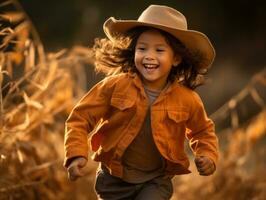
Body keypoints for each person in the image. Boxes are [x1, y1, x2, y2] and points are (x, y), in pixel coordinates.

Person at [64, 4, 219, 200]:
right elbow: (80, 117)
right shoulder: (115, 86)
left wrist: (208, 156)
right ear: (134, 51)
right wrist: (76, 154)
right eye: (142, 48)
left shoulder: (187, 99)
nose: (149, 56)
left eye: (159, 50)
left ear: (176, 58)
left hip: (156, 180)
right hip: (114, 178)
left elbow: (203, 131)